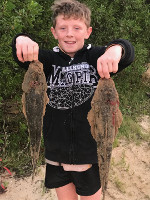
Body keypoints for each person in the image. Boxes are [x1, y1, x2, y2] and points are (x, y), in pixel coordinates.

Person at [12, 0, 134, 199]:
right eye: (63, 28)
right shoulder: (46, 61)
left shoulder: (97, 57)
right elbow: (20, 55)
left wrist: (116, 49)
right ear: (54, 32)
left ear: (88, 31)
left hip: (87, 154)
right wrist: (22, 39)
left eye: (77, 27)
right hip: (55, 153)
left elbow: (128, 53)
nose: (69, 33)